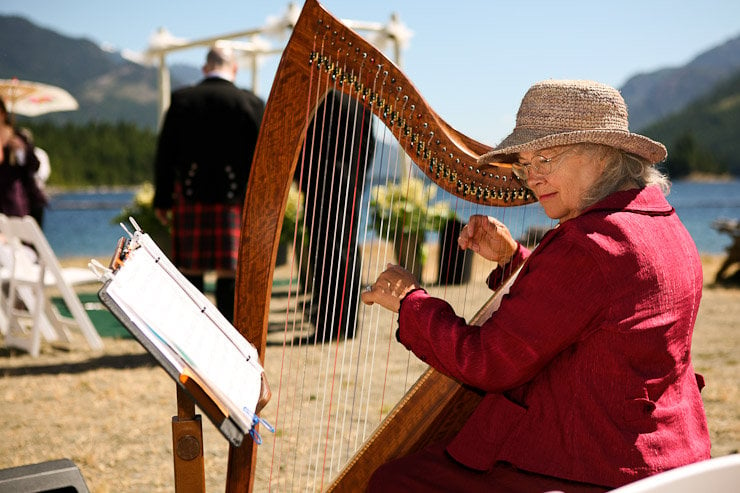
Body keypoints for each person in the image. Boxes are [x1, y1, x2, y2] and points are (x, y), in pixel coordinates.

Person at [361, 80, 710, 492]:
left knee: (396, 482)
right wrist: (515, 261)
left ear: (603, 154)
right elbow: (596, 307)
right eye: (526, 165)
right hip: (671, 456)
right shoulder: (663, 222)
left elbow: (487, 362)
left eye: (546, 157)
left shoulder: (590, 245)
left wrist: (410, 301)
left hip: (593, 467)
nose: (532, 178)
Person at [153, 44, 264, 323]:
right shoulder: (249, 102)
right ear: (234, 69)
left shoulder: (182, 99)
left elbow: (165, 154)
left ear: (205, 68)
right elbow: (263, 159)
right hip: (234, 199)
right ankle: (230, 333)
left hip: (191, 195)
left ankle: (195, 332)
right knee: (231, 270)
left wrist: (162, 199)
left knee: (191, 268)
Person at [296, 90, 376, 342]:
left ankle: (330, 326)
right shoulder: (360, 101)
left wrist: (301, 179)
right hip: (350, 183)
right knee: (347, 251)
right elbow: (369, 147)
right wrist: (358, 178)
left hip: (322, 184)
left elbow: (306, 144)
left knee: (326, 253)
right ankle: (347, 323)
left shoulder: (321, 97)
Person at [0, 99, 47, 219]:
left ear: (3, 113)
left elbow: (34, 165)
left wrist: (20, 150)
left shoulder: (18, 136)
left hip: (22, 203)